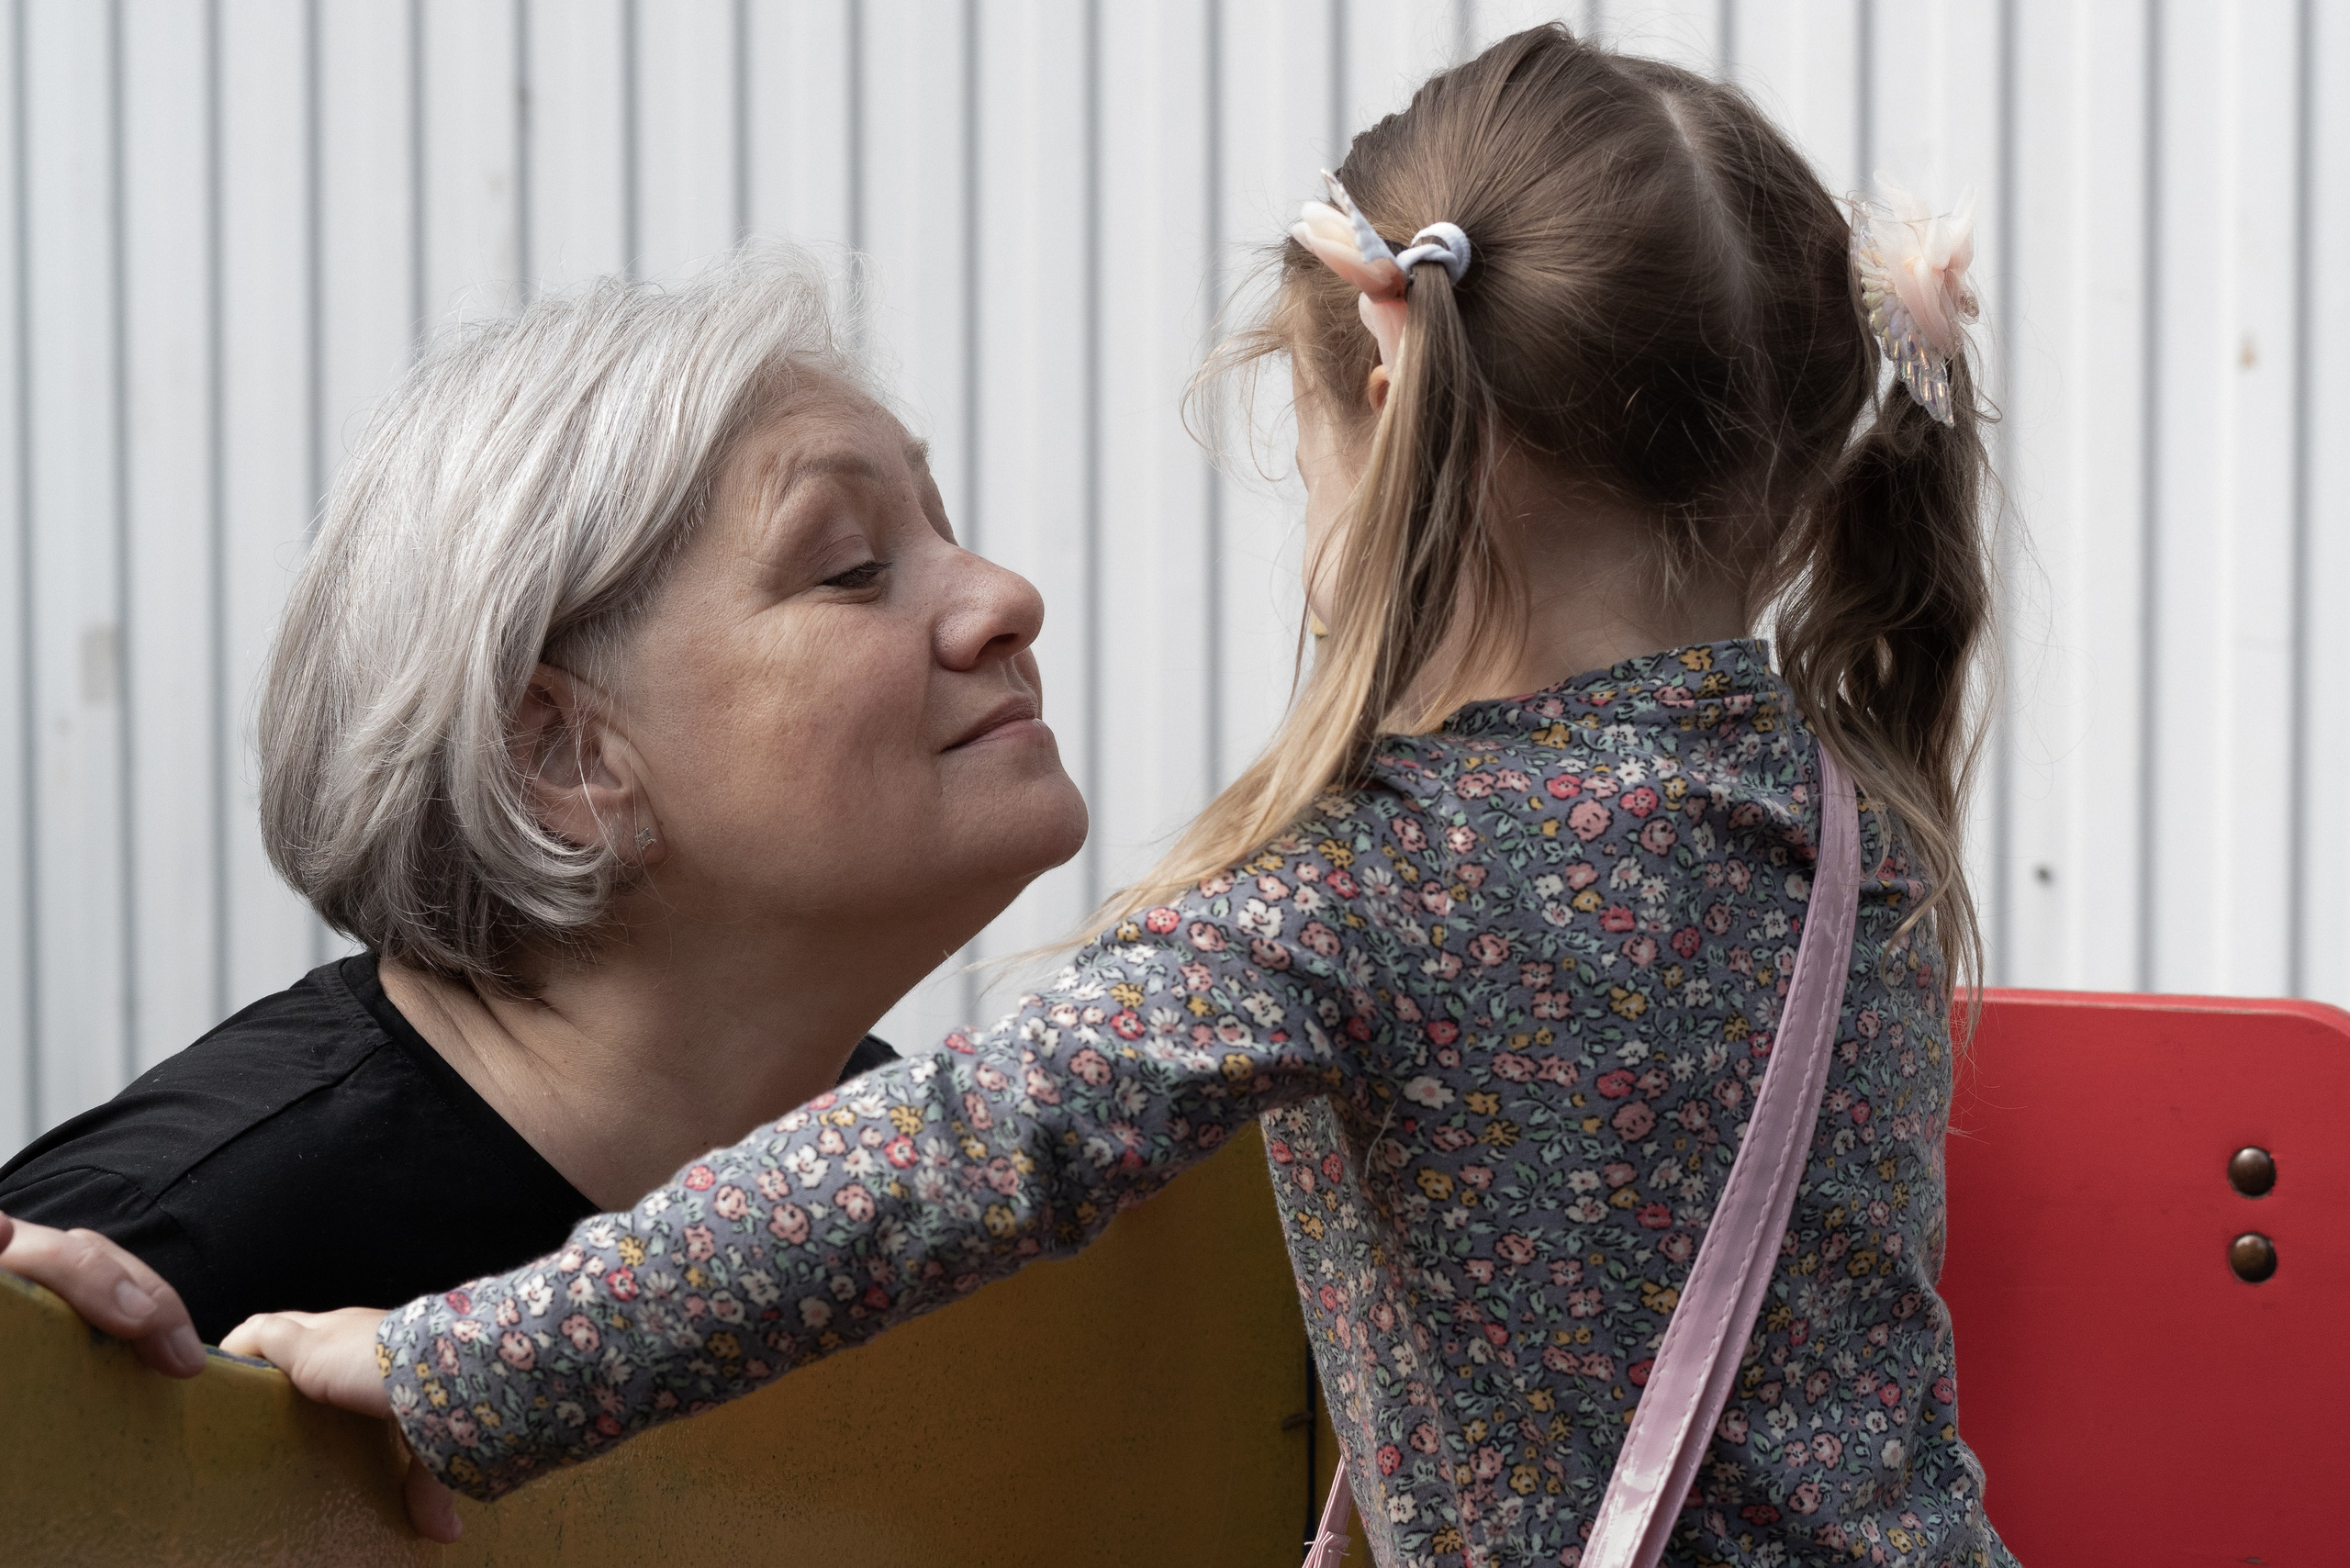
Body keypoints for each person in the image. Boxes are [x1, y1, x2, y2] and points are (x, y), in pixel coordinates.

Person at [252, 25, 2016, 1565]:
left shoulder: (1374, 884)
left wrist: (455, 1363)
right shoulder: (1854, 827)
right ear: (1799, 470)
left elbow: (944, 1166)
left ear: (1390, 405)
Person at [0, 254, 1086, 1360]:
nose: (1006, 598)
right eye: (851, 567)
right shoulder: (155, 1252)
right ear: (562, 757)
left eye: (944, 531)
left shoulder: (902, 1178)